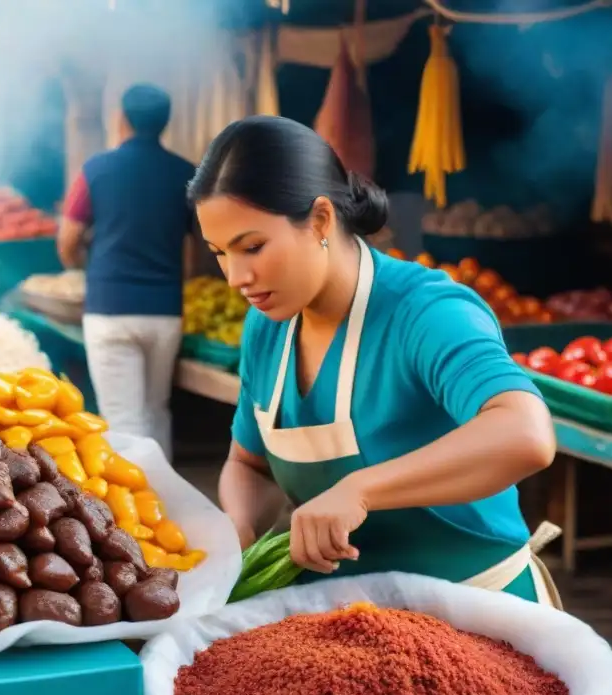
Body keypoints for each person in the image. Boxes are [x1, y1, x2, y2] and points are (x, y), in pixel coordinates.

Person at [194, 116, 561, 606]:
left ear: (321, 219)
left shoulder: (427, 311)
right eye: (219, 253)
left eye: (253, 247)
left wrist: (361, 490)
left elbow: (526, 435)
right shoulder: (267, 327)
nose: (236, 276)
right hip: (347, 622)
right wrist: (238, 528)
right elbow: (249, 464)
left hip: (476, 612)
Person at [57, 84, 196, 461]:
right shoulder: (187, 175)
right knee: (156, 412)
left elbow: (67, 240)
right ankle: (164, 505)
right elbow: (193, 250)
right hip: (166, 311)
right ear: (165, 122)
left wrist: (83, 264)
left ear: (121, 118)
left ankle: (138, 515)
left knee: (125, 420)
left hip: (111, 309)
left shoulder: (96, 170)